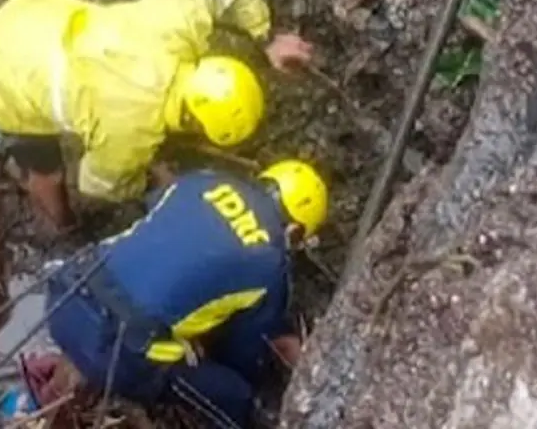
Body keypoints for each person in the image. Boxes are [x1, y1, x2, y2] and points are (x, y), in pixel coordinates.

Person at [0, 0, 314, 231]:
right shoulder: (131, 135)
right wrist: (149, 179)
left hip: (25, 19)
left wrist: (266, 36)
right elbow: (95, 183)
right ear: (193, 121)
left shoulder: (176, 25)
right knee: (49, 171)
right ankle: (62, 224)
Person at [46, 163, 328, 428]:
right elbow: (242, 351)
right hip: (120, 351)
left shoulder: (204, 180)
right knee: (235, 396)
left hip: (66, 293)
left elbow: (157, 210)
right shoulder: (270, 265)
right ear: (294, 230)